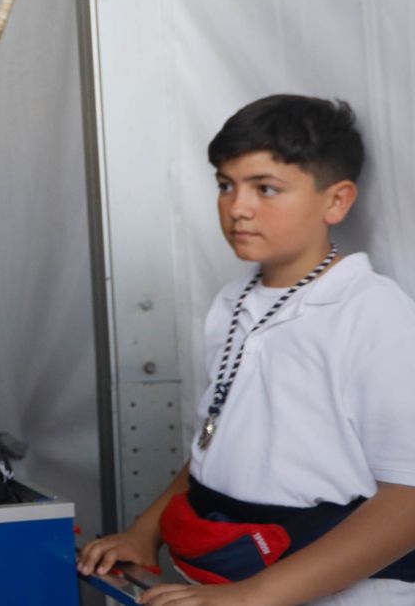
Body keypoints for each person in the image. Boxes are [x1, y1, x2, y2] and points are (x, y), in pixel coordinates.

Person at [79, 95, 415, 605]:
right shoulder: (232, 303)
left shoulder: (371, 312)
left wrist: (250, 596)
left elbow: (408, 500)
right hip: (223, 580)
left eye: (266, 189)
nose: (238, 207)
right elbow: (216, 442)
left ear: (337, 201)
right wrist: (146, 531)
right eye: (225, 185)